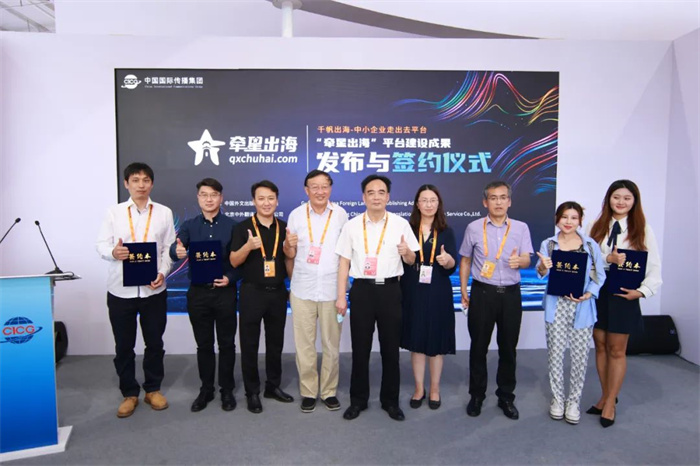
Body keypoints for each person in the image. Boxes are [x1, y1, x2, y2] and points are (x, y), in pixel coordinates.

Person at [336, 174, 420, 422]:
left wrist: (407, 253)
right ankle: (358, 401)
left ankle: (390, 401)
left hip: (390, 291)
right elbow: (344, 263)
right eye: (371, 192)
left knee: (390, 349)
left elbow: (412, 260)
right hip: (362, 290)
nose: (376, 197)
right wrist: (341, 296)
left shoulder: (400, 224)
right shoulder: (352, 226)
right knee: (360, 349)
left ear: (388, 197)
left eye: (381, 192)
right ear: (363, 197)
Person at [96, 162, 176, 418]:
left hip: (154, 291)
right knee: (124, 345)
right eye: (135, 180)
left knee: (155, 343)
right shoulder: (114, 213)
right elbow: (100, 244)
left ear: (151, 184)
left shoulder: (163, 212)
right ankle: (129, 393)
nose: (141, 185)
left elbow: (168, 249)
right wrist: (113, 252)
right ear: (126, 184)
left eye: (145, 180)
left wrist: (162, 273)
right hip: (121, 290)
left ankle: (153, 389)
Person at [586, 180, 662, 427]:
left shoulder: (642, 229)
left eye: (627, 198)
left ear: (634, 201)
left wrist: (641, 292)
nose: (621, 202)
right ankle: (605, 396)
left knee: (617, 350)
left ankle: (610, 403)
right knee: (600, 346)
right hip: (599, 291)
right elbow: (585, 259)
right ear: (608, 199)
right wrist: (607, 258)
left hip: (624, 294)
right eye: (616, 197)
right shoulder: (596, 225)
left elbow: (654, 266)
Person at [459, 180, 533, 420]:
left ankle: (506, 396)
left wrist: (520, 262)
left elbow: (527, 259)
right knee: (478, 347)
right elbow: (465, 260)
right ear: (485, 202)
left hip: (511, 294)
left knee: (508, 348)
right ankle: (477, 395)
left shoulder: (521, 228)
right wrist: (463, 290)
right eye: (493, 198)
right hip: (482, 293)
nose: (498, 202)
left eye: (503, 198)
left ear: (509, 201)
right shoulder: (473, 228)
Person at [169, 178, 238, 412]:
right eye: (204, 195)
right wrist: (177, 250)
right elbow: (175, 249)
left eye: (214, 195)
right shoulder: (189, 226)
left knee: (227, 344)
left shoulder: (233, 226)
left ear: (221, 198)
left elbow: (240, 261)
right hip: (198, 294)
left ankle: (227, 389)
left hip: (225, 292)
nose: (209, 199)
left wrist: (230, 277)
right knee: (204, 345)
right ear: (198, 198)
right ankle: (206, 389)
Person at [535, 201, 606, 425]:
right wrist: (544, 266)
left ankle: (573, 401)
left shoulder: (590, 245)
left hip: (582, 308)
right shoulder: (549, 244)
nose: (568, 222)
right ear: (557, 219)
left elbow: (600, 276)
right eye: (564, 217)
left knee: (579, 357)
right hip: (556, 306)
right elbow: (541, 273)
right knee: (555, 355)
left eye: (574, 218)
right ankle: (557, 399)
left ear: (580, 221)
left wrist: (589, 294)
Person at [285, 170, 349, 413]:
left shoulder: (341, 215)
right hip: (302, 289)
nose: (320, 191)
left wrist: (343, 292)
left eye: (324, 186)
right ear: (306, 190)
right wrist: (287, 246)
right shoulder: (296, 215)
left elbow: (346, 256)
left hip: (332, 290)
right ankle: (309, 391)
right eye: (315, 186)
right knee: (305, 345)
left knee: (331, 344)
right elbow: (289, 254)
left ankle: (329, 391)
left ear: (330, 188)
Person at [230, 180, 295, 414]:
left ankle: (273, 386)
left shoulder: (284, 228)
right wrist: (248, 246)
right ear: (253, 201)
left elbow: (289, 260)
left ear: (277, 201)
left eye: (270, 198)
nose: (266, 203)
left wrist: (290, 252)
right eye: (261, 198)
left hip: (277, 292)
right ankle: (252, 392)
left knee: (275, 343)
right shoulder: (243, 228)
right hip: (252, 292)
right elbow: (234, 261)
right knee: (249, 343)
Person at [400, 184, 457, 410]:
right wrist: (406, 254)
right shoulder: (407, 229)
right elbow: (404, 261)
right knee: (417, 340)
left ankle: (434, 388)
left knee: (436, 340)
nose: (429, 204)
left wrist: (447, 261)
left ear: (438, 203)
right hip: (413, 289)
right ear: (417, 204)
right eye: (424, 200)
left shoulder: (446, 231)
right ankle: (418, 389)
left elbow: (452, 264)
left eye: (433, 200)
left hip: (438, 289)